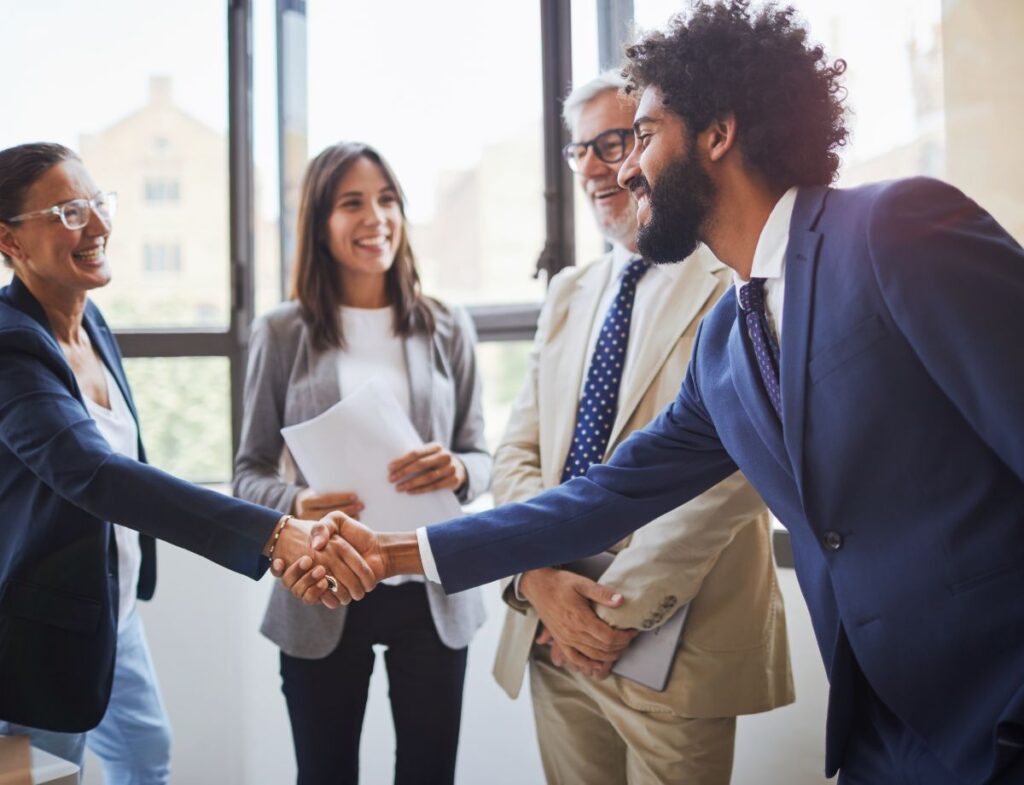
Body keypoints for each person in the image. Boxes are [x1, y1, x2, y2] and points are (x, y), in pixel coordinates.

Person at [285, 3, 1024, 784]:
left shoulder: (893, 228)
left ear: (717, 133)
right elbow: (603, 496)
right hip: (886, 728)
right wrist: (398, 551)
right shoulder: (726, 346)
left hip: (998, 698)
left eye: (640, 134)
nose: (624, 168)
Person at [0, 142, 375, 782]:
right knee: (45, 776)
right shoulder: (10, 349)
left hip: (109, 614)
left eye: (96, 203)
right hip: (36, 626)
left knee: (147, 761)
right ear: (10, 242)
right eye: (67, 211)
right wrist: (275, 531)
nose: (96, 225)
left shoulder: (91, 326)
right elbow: (96, 474)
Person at [489, 71, 792, 784]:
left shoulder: (732, 275)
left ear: (661, 145)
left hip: (676, 646)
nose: (596, 167)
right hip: (551, 635)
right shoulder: (570, 291)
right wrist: (538, 579)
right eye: (579, 150)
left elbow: (739, 468)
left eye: (614, 142)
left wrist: (615, 612)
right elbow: (518, 452)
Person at [233, 141, 490, 785]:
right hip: (321, 586)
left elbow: (483, 454)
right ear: (320, 223)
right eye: (352, 203)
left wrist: (459, 472)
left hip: (429, 584)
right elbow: (248, 471)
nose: (375, 217)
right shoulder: (282, 331)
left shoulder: (446, 325)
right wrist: (293, 503)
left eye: (387, 199)